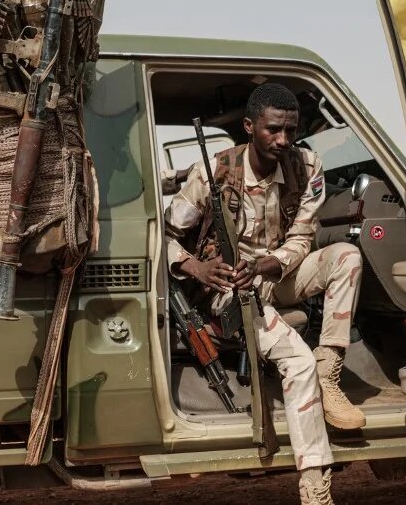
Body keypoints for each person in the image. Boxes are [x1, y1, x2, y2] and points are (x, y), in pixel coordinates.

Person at [164, 83, 365, 504]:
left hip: (278, 273)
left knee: (346, 255)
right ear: (250, 127)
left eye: (291, 131)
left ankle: (331, 372)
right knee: (297, 362)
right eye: (274, 130)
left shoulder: (306, 166)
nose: (283, 141)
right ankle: (314, 484)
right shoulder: (214, 173)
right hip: (230, 292)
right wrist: (197, 266)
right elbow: (159, 235)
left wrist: (267, 264)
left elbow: (303, 237)